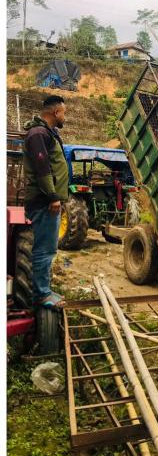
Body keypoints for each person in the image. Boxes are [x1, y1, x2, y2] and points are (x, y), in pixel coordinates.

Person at [23, 95, 69, 309]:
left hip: (47, 200)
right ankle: (41, 295)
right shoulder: (38, 134)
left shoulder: (47, 133)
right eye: (64, 113)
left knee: (48, 248)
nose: (64, 117)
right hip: (44, 201)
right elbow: (43, 169)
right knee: (44, 249)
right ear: (55, 112)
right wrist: (53, 197)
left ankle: (44, 290)